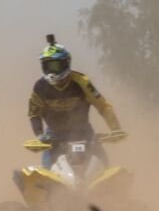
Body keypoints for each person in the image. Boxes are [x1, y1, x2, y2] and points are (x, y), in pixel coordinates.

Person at [28, 37, 126, 166]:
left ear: (66, 63)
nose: (52, 71)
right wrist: (40, 136)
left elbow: (103, 106)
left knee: (104, 165)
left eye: (56, 66)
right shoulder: (40, 87)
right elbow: (34, 114)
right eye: (47, 66)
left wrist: (116, 129)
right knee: (46, 170)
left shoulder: (82, 82)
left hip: (84, 133)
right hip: (54, 137)